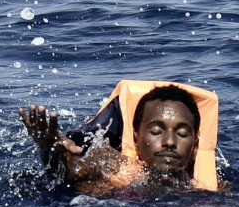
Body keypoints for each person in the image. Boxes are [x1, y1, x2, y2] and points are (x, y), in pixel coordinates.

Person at [20, 79, 220, 195]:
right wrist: (52, 152)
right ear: (136, 138)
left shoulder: (211, 185)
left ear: (195, 145)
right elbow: (73, 172)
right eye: (156, 131)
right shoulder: (112, 163)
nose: (169, 142)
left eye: (182, 134)